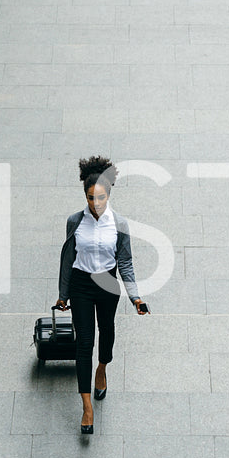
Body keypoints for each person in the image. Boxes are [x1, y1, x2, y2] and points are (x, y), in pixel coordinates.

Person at [55, 156, 149, 435]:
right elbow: (67, 258)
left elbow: (126, 262)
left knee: (107, 330)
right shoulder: (75, 221)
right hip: (82, 285)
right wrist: (63, 294)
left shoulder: (119, 225)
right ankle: (86, 408)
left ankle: (103, 368)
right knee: (84, 343)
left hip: (107, 283)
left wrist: (135, 297)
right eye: (90, 198)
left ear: (109, 194)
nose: (96, 204)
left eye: (101, 198)